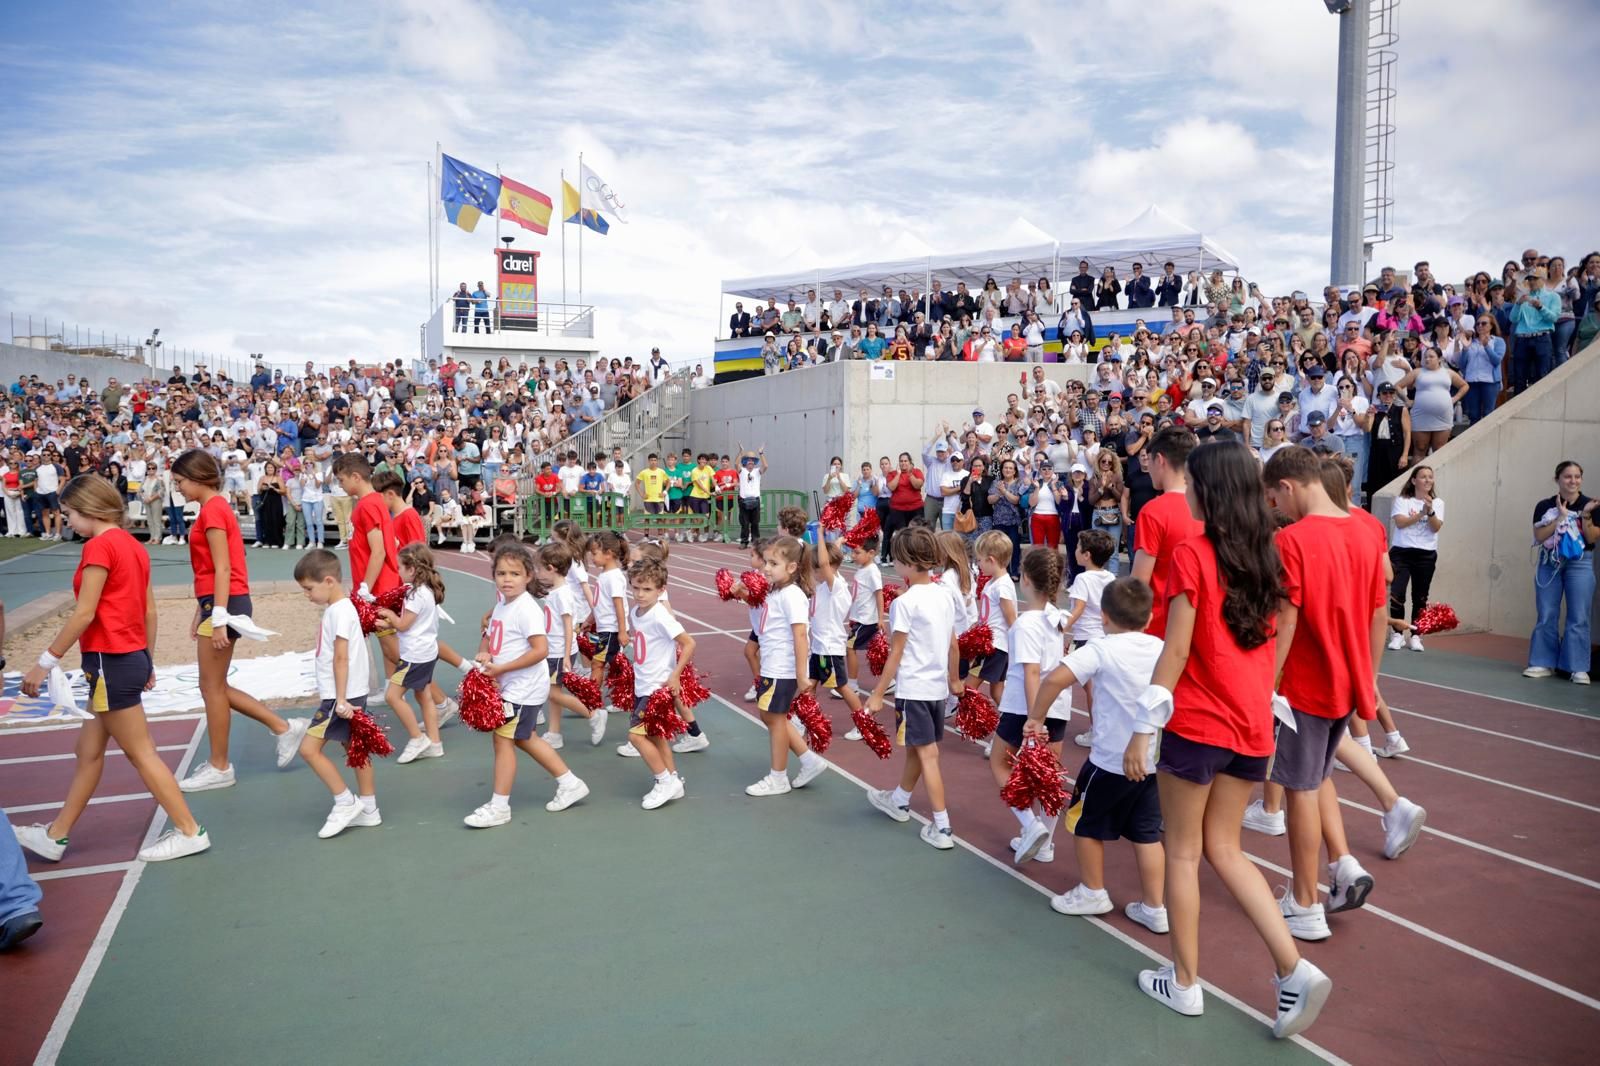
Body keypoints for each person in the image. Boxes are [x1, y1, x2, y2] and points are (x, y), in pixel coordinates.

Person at [1124, 442, 1331, 1038]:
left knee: (1183, 852)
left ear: (1211, 490)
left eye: (1194, 482)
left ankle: (1185, 982)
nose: (1186, 489)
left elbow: (1177, 649)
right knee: (1228, 849)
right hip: (1253, 724)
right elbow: (1282, 627)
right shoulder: (1271, 553)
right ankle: (1293, 967)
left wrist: (1144, 726)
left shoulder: (1194, 553)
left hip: (1198, 722)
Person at [13, 476, 212, 865]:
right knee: (87, 751)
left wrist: (45, 662)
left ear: (88, 509)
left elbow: (84, 613)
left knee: (141, 753)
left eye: (69, 513)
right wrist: (146, 659)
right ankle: (56, 835)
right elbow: (149, 610)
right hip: (126, 658)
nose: (68, 520)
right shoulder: (132, 545)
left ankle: (190, 831)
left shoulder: (99, 546)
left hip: (109, 660)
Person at [1263, 447, 1389, 940]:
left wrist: (1267, 683)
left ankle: (1304, 901)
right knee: (1314, 783)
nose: (1277, 508)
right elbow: (1378, 614)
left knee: (1300, 792)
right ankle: (1334, 869)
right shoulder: (1367, 531)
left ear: (1288, 486)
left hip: (1305, 684)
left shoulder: (1292, 539)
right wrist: (1368, 678)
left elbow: (1286, 618)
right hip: (1346, 682)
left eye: (1275, 498)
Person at [1036, 576, 1168, 930]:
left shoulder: (1101, 648)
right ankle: (1154, 907)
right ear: (1150, 617)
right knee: (1147, 833)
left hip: (1110, 760)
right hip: (1152, 762)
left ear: (1104, 617)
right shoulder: (1162, 648)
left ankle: (1092, 891)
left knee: (1085, 824)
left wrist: (1036, 717)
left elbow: (1054, 679)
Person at [171, 450, 307, 793]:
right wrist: (202, 610)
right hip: (219, 602)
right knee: (213, 686)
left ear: (198, 477)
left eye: (180, 481)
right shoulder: (213, 508)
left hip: (225, 603)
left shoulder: (214, 510)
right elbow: (217, 566)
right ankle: (282, 728)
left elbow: (223, 567)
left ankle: (221, 765)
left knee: (211, 687)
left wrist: (217, 616)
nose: (179, 488)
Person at [463, 542, 590, 827]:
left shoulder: (527, 609)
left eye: (515, 573)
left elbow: (540, 650)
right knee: (524, 737)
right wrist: (485, 652)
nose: (507, 579)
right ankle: (570, 783)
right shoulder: (502, 605)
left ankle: (499, 807)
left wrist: (502, 668)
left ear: (528, 576)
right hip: (512, 685)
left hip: (523, 687)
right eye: (501, 573)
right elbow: (490, 636)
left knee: (503, 740)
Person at [865, 525, 962, 851]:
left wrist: (877, 693)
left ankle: (942, 827)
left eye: (896, 558)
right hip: (936, 690)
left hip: (914, 691)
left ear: (907, 562)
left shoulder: (905, 603)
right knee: (919, 749)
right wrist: (954, 679)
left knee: (928, 754)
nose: (894, 563)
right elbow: (953, 643)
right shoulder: (944, 595)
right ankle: (900, 800)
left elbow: (896, 652)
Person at [288, 549, 385, 839]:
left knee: (308, 749)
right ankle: (369, 808)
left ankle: (345, 802)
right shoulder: (340, 609)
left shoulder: (339, 612)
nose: (307, 595)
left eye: (309, 588)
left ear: (329, 581)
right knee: (355, 748)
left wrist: (340, 699)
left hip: (340, 697)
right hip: (348, 694)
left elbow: (341, 657)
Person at [988, 547, 1066, 860]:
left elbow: (1032, 672)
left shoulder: (1026, 623)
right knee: (1049, 773)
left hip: (1026, 707)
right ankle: (1045, 844)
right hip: (1057, 706)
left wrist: (1036, 718)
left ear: (1027, 580)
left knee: (1000, 763)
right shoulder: (1055, 617)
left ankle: (1030, 824)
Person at [744, 536, 827, 797]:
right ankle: (809, 760)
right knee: (770, 716)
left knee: (775, 719)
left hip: (782, 668)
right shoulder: (776, 591)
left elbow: (800, 635)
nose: (766, 568)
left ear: (791, 567)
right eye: (766, 562)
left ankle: (778, 777)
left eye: (773, 563)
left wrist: (802, 675)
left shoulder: (792, 595)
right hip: (773, 665)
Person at [622, 558, 694, 809]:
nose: (640, 594)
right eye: (636, 588)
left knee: (635, 737)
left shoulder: (660, 615)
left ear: (661, 590)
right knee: (656, 736)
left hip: (656, 688)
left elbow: (689, 643)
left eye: (647, 589)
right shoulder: (636, 613)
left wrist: (674, 675)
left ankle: (663, 781)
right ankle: (673, 780)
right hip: (643, 684)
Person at [1525, 460, 1597, 685]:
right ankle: (1542, 662)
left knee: (1579, 615)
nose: (1573, 481)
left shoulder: (1591, 505)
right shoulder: (1545, 505)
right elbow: (1539, 536)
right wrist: (1560, 518)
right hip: (1550, 562)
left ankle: (1577, 667)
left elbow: (1592, 538)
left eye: (1577, 476)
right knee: (1547, 612)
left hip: (1580, 562)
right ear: (1557, 479)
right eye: (1568, 476)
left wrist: (1586, 515)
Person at [375, 543, 447, 764]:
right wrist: (389, 621)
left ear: (412, 569)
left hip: (415, 655)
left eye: (400, 567)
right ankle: (435, 743)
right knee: (423, 696)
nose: (398, 571)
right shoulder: (426, 591)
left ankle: (417, 738)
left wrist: (388, 615)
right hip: (426, 652)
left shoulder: (415, 595)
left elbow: (403, 625)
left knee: (392, 696)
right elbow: (412, 623)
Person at [1130, 428, 1203, 637]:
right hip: (1197, 623)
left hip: (1159, 626)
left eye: (1149, 461)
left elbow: (1139, 583)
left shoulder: (1154, 511)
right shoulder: (1209, 506)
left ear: (1160, 460)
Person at [1394, 348, 1467, 461]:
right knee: (1420, 449)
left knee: (1440, 450)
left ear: (1440, 359)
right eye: (1426, 357)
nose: (1427, 359)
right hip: (1421, 416)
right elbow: (1398, 386)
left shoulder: (1449, 373)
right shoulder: (1417, 372)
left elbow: (1464, 386)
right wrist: (1406, 400)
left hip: (1443, 417)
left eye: (1431, 356)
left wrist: (1454, 398)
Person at [844, 532, 886, 702]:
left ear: (871, 553)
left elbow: (879, 594)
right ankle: (889, 681)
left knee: (850, 648)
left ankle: (852, 685)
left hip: (867, 620)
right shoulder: (862, 569)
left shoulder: (872, 571)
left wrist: (881, 618)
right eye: (852, 552)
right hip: (860, 618)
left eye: (857, 552)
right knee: (874, 651)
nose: (853, 556)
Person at [1363, 381, 1411, 501]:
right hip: (1378, 450)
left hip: (1395, 450)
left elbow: (1407, 433)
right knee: (1375, 483)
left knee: (1396, 483)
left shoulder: (1401, 410)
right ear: (1379, 396)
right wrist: (1369, 415)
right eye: (1384, 393)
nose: (1388, 395)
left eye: (1391, 393)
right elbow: (1367, 429)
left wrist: (1405, 455)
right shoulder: (1374, 409)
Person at [737, 448, 766, 548]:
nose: (751, 462)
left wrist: (761, 453)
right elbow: (736, 464)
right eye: (748, 460)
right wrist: (741, 452)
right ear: (745, 462)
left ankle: (756, 542)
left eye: (752, 460)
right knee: (744, 523)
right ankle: (744, 542)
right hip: (743, 500)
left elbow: (765, 466)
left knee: (755, 523)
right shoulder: (742, 471)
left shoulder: (757, 471)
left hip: (755, 500)